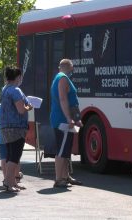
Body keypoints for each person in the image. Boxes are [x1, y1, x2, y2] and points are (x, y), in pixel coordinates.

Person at [50, 59, 83, 188]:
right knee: (62, 150)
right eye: (72, 68)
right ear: (68, 67)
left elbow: (70, 101)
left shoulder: (60, 77)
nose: (73, 71)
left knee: (65, 150)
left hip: (64, 119)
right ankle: (59, 179)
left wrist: (77, 118)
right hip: (62, 120)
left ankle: (65, 176)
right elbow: (63, 99)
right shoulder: (63, 78)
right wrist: (69, 118)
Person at [0, 67, 32, 192]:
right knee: (15, 156)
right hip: (16, 128)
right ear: (18, 77)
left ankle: (12, 182)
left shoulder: (5, 89)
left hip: (5, 126)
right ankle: (8, 183)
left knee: (10, 155)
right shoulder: (15, 90)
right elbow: (21, 109)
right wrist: (28, 107)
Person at [0, 104, 24, 186]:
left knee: (4, 158)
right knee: (15, 157)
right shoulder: (15, 107)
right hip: (13, 136)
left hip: (1, 136)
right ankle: (16, 178)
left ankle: (6, 179)